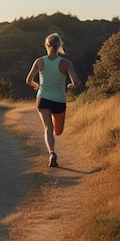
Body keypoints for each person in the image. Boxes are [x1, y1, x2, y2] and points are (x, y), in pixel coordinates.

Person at [25, 33, 81, 167]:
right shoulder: (66, 63)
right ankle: (52, 154)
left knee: (49, 129)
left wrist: (37, 86)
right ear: (59, 46)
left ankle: (51, 152)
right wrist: (71, 86)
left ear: (46, 45)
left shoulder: (40, 61)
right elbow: (76, 82)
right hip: (59, 101)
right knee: (57, 130)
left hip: (42, 98)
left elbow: (28, 81)